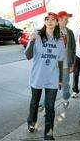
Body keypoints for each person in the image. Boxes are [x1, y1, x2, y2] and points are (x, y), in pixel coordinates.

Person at [24, 12, 65, 140]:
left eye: (53, 19)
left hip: (52, 78)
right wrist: (31, 42)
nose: (50, 21)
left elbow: (60, 61)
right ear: (45, 21)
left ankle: (48, 134)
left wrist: (60, 80)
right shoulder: (37, 36)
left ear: (57, 22)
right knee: (34, 103)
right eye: (48, 19)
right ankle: (31, 122)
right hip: (37, 76)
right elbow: (28, 56)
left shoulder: (60, 40)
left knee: (50, 108)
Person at [57, 11, 76, 108]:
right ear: (59, 19)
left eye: (68, 19)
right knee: (51, 85)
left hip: (65, 64)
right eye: (66, 19)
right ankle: (48, 105)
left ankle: (65, 99)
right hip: (53, 65)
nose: (67, 21)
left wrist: (72, 64)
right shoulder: (52, 31)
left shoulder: (69, 32)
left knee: (65, 84)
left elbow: (73, 48)